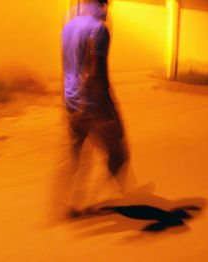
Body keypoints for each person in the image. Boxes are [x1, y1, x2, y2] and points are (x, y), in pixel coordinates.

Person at [60, 0, 129, 215]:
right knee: (119, 154)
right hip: (92, 104)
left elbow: (66, 65)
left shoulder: (68, 25)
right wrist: (107, 110)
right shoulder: (99, 29)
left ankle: (67, 203)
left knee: (77, 155)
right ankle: (96, 201)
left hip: (70, 101)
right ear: (103, 3)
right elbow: (97, 73)